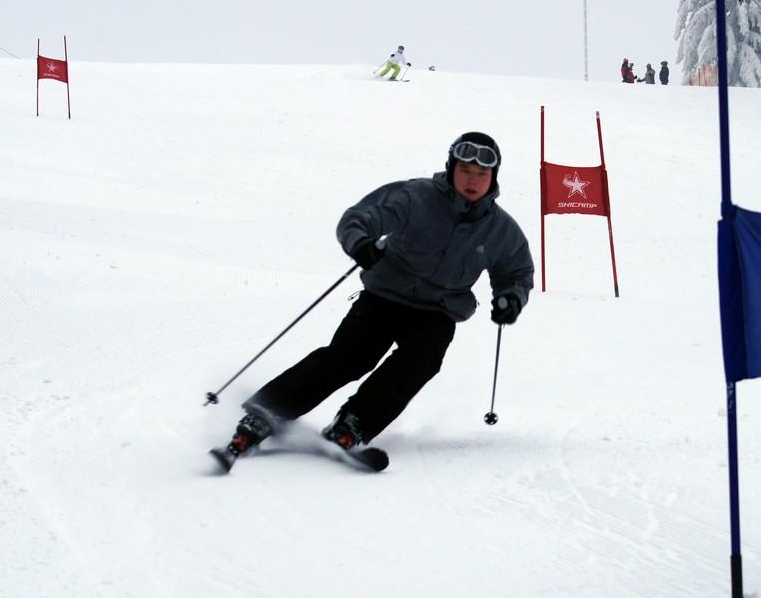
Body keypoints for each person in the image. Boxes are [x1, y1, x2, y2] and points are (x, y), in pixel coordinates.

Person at [214, 132, 535, 466]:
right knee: (350, 357)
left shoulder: (500, 229)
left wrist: (510, 298)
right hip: (385, 296)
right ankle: (267, 412)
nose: (473, 180)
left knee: (421, 361)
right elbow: (358, 217)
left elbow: (517, 271)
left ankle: (354, 424)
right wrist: (361, 243)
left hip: (437, 311)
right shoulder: (416, 196)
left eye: (482, 174)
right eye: (466, 170)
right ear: (451, 168)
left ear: (493, 178)